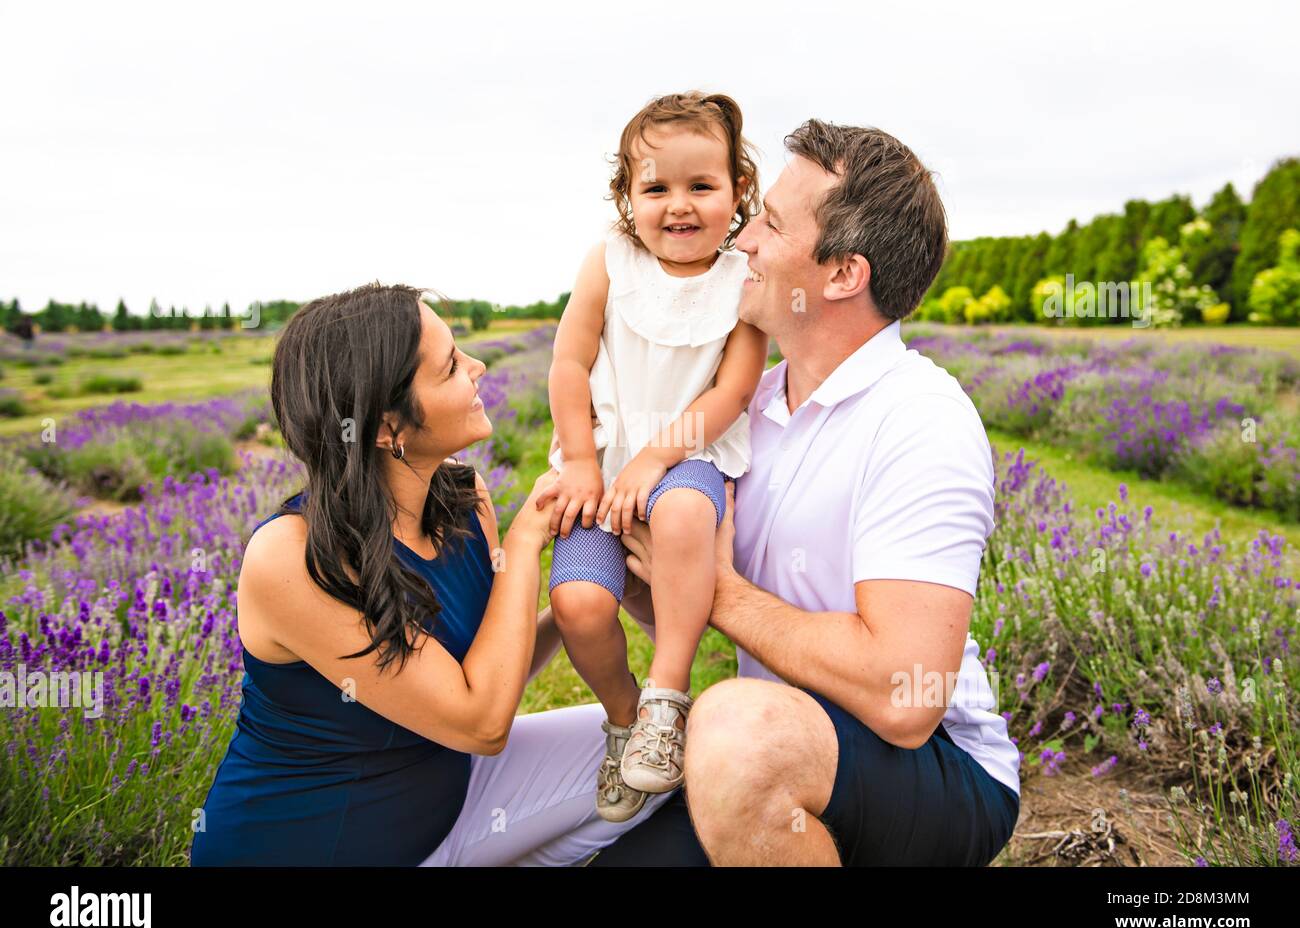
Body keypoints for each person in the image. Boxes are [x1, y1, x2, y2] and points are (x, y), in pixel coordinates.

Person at [592, 120, 1021, 866]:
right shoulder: (740, 413)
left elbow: (904, 696)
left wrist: (716, 593)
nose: (743, 239)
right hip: (789, 747)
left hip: (939, 768)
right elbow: (671, 602)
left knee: (731, 728)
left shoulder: (920, 421)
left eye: (772, 223)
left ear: (842, 274)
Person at [189, 282, 681, 866]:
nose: (477, 368)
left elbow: (485, 671)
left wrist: (592, 598)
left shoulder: (462, 497)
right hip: (314, 846)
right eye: (449, 367)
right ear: (385, 427)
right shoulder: (291, 559)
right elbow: (480, 723)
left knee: (678, 753)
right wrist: (526, 544)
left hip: (450, 801)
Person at [538, 91, 769, 821]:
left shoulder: (745, 283)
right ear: (626, 197)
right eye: (656, 187)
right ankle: (624, 718)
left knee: (675, 518)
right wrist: (582, 462)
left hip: (690, 453)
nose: (679, 205)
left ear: (738, 193)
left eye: (702, 186)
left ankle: (668, 699)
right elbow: (568, 365)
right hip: (600, 460)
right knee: (576, 603)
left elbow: (732, 393)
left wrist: (656, 458)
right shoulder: (608, 262)